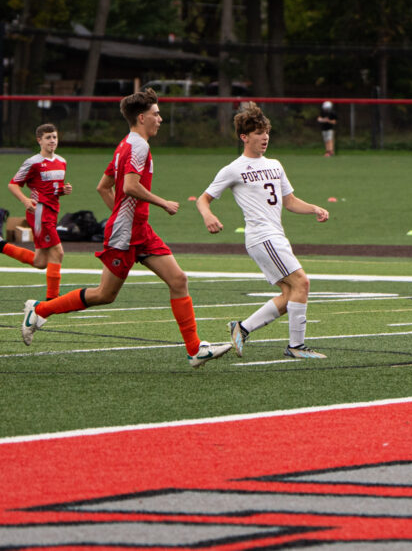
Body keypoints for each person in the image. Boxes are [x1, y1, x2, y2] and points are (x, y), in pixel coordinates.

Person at [20, 90, 232, 367]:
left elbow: (103, 187)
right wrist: (161, 203)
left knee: (178, 280)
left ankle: (194, 350)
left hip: (139, 229)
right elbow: (130, 186)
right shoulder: (137, 147)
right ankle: (39, 310)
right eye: (156, 114)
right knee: (104, 295)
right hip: (126, 233)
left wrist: (124, 214)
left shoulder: (126, 145)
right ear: (142, 117)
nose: (160, 119)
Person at [197, 101, 331, 359]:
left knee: (291, 292)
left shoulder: (275, 165)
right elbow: (203, 199)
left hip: (276, 236)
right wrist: (208, 215)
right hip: (262, 237)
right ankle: (296, 347)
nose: (264, 137)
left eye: (266, 132)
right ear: (244, 137)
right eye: (258, 133)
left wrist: (314, 208)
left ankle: (242, 328)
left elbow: (289, 201)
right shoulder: (233, 169)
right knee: (302, 282)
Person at [3, 123, 73, 301]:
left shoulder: (62, 162)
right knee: (58, 252)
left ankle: (1, 246)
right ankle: (52, 299)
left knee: (40, 262)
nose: (52, 141)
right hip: (39, 212)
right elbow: (13, 184)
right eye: (48, 137)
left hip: (52, 211)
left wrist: (62, 190)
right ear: (39, 140)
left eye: (54, 137)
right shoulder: (32, 162)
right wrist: (25, 200)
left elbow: (52, 189)